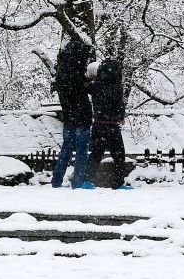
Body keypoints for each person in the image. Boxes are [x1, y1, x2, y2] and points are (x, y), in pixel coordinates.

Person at [51, 37, 94, 189]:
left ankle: (56, 180)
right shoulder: (78, 73)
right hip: (81, 118)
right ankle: (78, 181)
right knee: (82, 151)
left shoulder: (62, 73)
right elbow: (86, 90)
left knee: (66, 149)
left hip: (68, 117)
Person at [88, 56, 130, 189]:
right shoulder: (116, 86)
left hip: (98, 124)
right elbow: (118, 104)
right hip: (112, 125)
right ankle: (118, 182)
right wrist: (121, 116)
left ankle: (87, 180)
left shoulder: (96, 85)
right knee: (119, 155)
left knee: (95, 154)